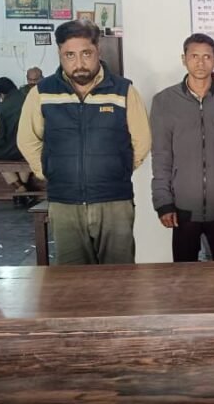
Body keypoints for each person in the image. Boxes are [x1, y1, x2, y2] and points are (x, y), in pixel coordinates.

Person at [17, 20, 151, 265]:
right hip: (64, 203)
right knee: (73, 279)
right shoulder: (42, 93)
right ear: (60, 54)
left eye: (86, 54)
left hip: (114, 202)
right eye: (70, 55)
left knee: (119, 275)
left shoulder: (123, 91)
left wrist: (119, 169)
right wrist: (48, 170)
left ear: (97, 50)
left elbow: (142, 139)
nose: (79, 63)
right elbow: (27, 139)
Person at [151, 33, 214, 262]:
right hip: (182, 208)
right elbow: (161, 157)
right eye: (194, 56)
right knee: (184, 275)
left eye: (207, 57)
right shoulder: (164, 102)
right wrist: (163, 202)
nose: (200, 62)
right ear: (184, 59)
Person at [0, 77, 34, 203]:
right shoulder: (29, 99)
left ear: (1, 94)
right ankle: (23, 192)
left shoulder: (0, 109)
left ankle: (20, 189)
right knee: (25, 157)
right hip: (30, 148)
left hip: (10, 151)